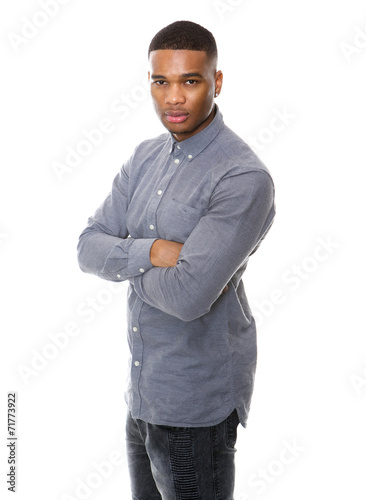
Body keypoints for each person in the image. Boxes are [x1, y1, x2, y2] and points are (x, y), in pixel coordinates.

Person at [77, 20, 275, 500]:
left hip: (195, 410)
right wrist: (153, 252)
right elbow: (87, 245)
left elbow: (188, 297)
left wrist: (123, 262)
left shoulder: (242, 177)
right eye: (160, 81)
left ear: (216, 81)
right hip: (143, 397)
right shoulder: (144, 157)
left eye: (190, 80)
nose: (173, 97)